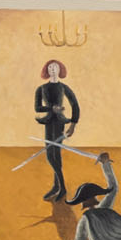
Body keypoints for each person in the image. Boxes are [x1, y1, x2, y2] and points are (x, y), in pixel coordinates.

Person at [34, 60, 82, 203]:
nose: (53, 69)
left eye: (55, 67)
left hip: (59, 123)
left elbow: (75, 104)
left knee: (56, 154)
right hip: (48, 122)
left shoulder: (63, 87)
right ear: (46, 71)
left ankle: (60, 187)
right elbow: (37, 108)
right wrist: (52, 109)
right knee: (50, 155)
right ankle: (59, 186)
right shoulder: (41, 88)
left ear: (60, 69)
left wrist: (73, 125)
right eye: (50, 67)